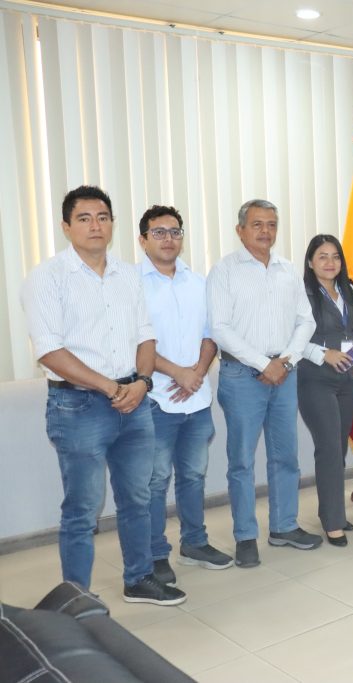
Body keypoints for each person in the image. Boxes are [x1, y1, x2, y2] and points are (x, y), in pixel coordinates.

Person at [20, 186, 185, 606]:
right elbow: (50, 351)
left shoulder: (127, 275)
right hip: (78, 407)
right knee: (83, 509)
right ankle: (76, 597)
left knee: (138, 497)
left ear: (113, 224)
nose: (95, 225)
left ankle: (139, 578)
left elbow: (145, 336)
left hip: (134, 400)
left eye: (103, 217)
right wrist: (111, 387)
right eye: (84, 218)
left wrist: (142, 382)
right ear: (66, 226)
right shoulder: (47, 277)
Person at [207, 199, 320, 568]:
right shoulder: (224, 271)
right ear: (240, 230)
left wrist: (284, 360)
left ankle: (284, 526)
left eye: (271, 224)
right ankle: (245, 536)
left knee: (285, 455)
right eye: (257, 224)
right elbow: (219, 328)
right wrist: (263, 363)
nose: (265, 231)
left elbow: (306, 320)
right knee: (241, 461)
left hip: (284, 373)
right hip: (242, 375)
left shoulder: (288, 270)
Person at [137, 205, 233, 587]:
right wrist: (178, 372)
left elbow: (211, 334)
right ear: (143, 240)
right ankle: (155, 553)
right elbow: (135, 342)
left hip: (196, 398)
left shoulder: (198, 282)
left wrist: (197, 372)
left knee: (193, 476)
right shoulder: (131, 284)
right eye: (158, 232)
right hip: (155, 399)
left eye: (175, 231)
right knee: (155, 481)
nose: (168, 239)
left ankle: (194, 543)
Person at [297, 235, 353, 547]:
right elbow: (290, 335)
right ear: (310, 262)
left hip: (347, 379)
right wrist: (322, 354)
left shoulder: (348, 289)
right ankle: (333, 522)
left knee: (337, 448)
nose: (330, 262)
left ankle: (332, 511)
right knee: (328, 448)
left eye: (335, 256)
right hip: (315, 378)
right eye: (322, 256)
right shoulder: (301, 293)